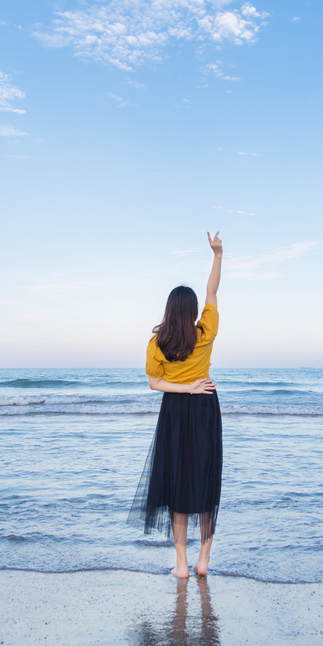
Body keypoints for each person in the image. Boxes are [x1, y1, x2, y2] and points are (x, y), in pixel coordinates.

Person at [128, 232, 223, 579]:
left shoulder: (159, 341)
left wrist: (183, 388)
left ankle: (181, 564)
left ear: (169, 310)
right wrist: (218, 255)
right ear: (194, 310)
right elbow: (213, 291)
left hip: (175, 412)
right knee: (205, 482)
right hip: (205, 408)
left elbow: (155, 383)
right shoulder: (206, 332)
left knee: (178, 484)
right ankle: (203, 560)